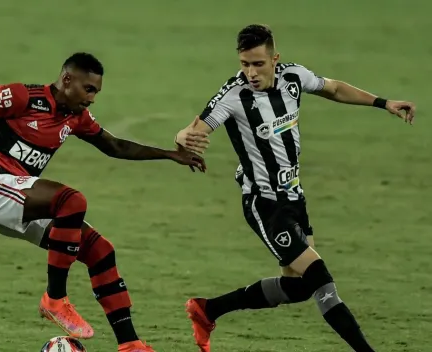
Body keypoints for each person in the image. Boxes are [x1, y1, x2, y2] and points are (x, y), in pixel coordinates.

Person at [174, 24, 415, 352]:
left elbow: (333, 89)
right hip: (265, 206)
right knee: (321, 279)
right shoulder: (233, 96)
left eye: (258, 64)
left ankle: (208, 310)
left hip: (294, 199)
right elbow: (194, 129)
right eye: (244, 64)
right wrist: (182, 138)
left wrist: (383, 102)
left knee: (299, 287)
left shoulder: (293, 77)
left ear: (275, 59)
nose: (250, 72)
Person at [0, 52, 206, 352]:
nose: (92, 98)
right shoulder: (22, 97)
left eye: (96, 92)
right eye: (88, 89)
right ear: (66, 80)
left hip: (24, 198)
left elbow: (113, 145)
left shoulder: (76, 117)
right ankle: (55, 299)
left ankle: (130, 344)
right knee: (71, 201)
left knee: (100, 251)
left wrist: (169, 155)